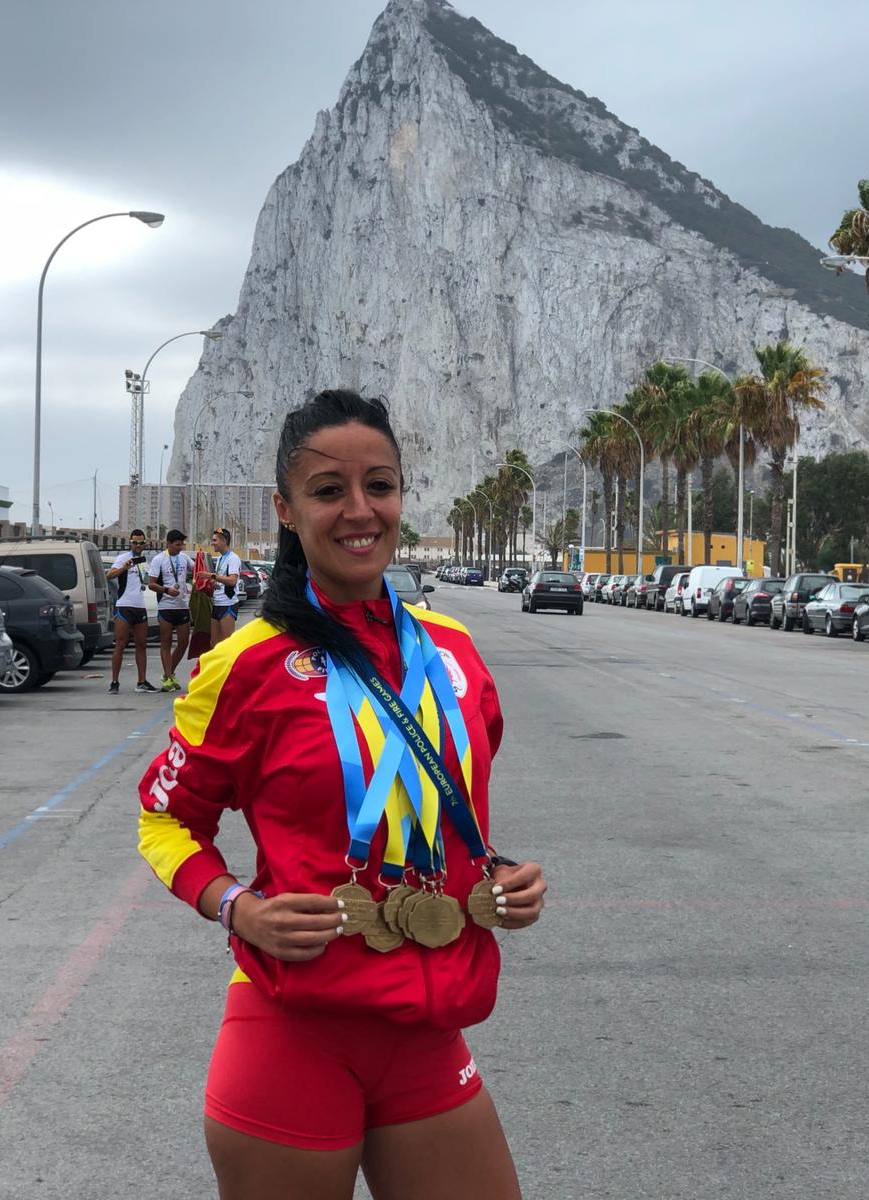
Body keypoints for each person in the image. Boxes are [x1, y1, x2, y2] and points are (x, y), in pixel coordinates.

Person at [137, 390, 546, 1200]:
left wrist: (497, 873)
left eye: (379, 486)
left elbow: (440, 810)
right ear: (286, 510)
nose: (360, 511)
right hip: (293, 1034)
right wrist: (235, 907)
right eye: (329, 491)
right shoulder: (245, 665)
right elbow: (165, 819)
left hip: (428, 1033)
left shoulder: (456, 653)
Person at [107, 529, 158, 694]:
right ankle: (114, 682)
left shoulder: (143, 562)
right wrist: (124, 567)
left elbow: (150, 580)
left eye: (141, 543)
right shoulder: (123, 558)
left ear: (145, 544)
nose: (138, 545)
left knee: (141, 644)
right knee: (121, 644)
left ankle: (142, 682)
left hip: (139, 606)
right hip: (124, 605)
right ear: (130, 543)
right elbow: (109, 575)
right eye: (135, 542)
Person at [149, 529, 193, 692]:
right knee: (166, 642)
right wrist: (166, 590)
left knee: (183, 642)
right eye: (177, 545)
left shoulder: (184, 558)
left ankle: (169, 673)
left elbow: (198, 569)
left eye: (182, 545)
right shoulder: (159, 559)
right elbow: (151, 584)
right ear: (168, 543)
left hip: (182, 605)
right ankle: (168, 678)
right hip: (166, 606)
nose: (180, 548)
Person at [201, 526, 243, 648]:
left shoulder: (233, 558)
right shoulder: (220, 558)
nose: (212, 543)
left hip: (227, 603)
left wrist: (212, 576)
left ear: (224, 541)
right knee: (214, 644)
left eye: (215, 540)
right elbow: (221, 579)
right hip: (217, 603)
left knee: (227, 644)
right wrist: (211, 583)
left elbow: (232, 581)